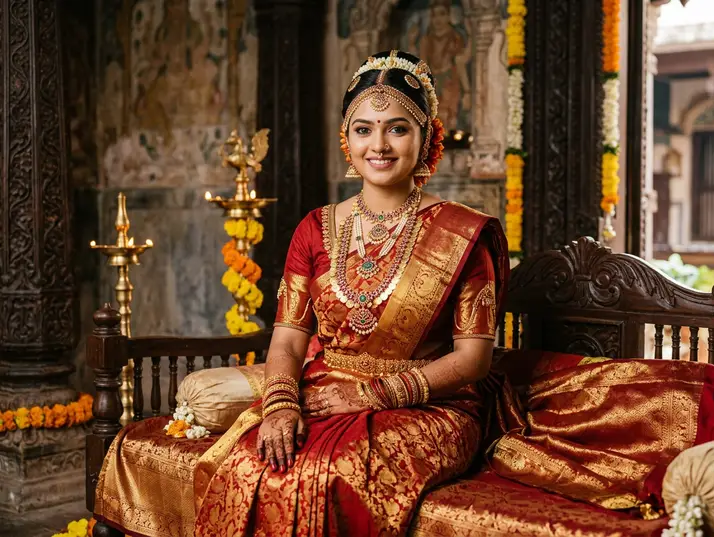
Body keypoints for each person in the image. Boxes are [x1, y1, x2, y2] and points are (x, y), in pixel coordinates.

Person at [193, 50, 510, 536]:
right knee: (248, 464)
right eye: (363, 129)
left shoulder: (462, 235)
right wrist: (280, 404)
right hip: (322, 391)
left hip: (430, 405)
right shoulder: (315, 229)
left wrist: (373, 395)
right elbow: (288, 340)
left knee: (334, 473)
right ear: (347, 139)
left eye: (397, 128)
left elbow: (473, 362)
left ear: (427, 138)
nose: (378, 145)